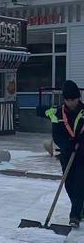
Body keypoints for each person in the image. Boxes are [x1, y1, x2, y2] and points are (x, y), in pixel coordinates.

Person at [46, 80, 84, 228]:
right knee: (68, 184)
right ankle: (80, 208)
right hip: (67, 154)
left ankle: (74, 215)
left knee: (80, 183)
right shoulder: (57, 113)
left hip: (82, 154)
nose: (71, 103)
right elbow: (56, 134)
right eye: (68, 100)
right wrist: (67, 145)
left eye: (73, 100)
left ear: (78, 98)